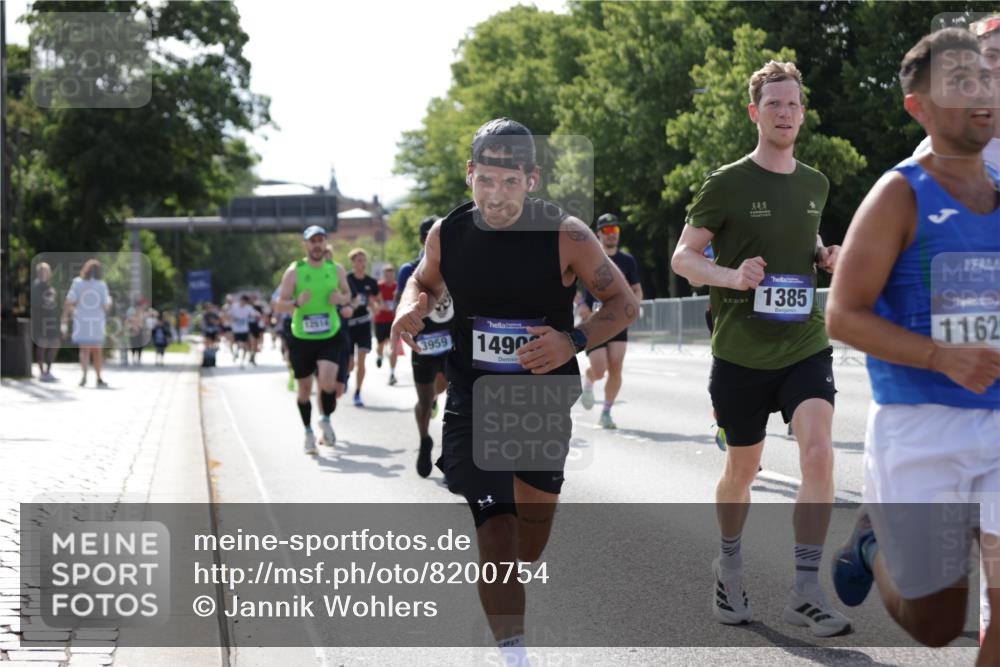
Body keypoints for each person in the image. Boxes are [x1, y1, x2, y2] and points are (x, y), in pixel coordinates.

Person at [392, 118, 638, 665]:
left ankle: (501, 600)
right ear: (469, 175)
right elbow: (426, 282)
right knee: (497, 531)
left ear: (531, 179)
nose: (495, 195)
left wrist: (570, 340)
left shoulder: (566, 234)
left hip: (540, 402)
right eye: (485, 180)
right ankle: (515, 654)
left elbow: (623, 305)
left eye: (509, 182)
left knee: (531, 534)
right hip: (472, 402)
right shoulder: (447, 234)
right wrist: (412, 305)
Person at [826, 28, 1000, 664]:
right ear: (918, 107)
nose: (979, 92)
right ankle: (872, 548)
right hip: (922, 428)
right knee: (936, 622)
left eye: (984, 79)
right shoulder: (900, 193)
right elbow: (841, 316)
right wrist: (940, 355)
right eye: (959, 82)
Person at [671, 61, 851, 636]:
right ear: (755, 112)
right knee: (741, 470)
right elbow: (683, 258)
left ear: (803, 111)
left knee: (819, 454)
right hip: (741, 351)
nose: (784, 113)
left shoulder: (816, 183)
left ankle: (804, 589)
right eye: (773, 104)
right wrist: (730, 276)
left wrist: (825, 255)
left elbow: (802, 238)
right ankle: (728, 564)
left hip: (804, 340)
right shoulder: (727, 181)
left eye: (793, 104)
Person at [274, 226, 352, 454]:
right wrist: (297, 303)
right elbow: (279, 304)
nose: (317, 244)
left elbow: (348, 296)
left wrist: (341, 298)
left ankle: (325, 420)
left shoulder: (335, 269)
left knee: (328, 384)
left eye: (320, 240)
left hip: (330, 335)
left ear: (325, 243)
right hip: (302, 338)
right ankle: (308, 431)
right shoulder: (294, 271)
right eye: (312, 241)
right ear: (305, 245)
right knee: (304, 390)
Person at [397, 216, 452, 478]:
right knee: (425, 399)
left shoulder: (456, 264)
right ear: (424, 240)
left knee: (457, 395)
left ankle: (452, 449)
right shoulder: (409, 269)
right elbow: (403, 302)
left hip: (452, 340)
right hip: (424, 342)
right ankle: (424, 440)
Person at [578, 213, 642, 429]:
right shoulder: (588, 258)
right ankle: (589, 378)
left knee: (616, 367)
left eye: (615, 230)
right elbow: (570, 286)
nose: (612, 234)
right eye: (607, 231)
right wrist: (581, 305)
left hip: (617, 322)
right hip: (594, 321)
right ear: (598, 234)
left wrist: (633, 307)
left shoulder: (627, 261)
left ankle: (606, 412)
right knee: (599, 367)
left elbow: (636, 289)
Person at [63, 259, 112, 388]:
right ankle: (98, 377)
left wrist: (65, 318)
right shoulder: (101, 285)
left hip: (81, 320)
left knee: (84, 350)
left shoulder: (77, 283)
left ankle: (84, 375)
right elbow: (106, 304)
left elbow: (69, 300)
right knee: (97, 351)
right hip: (96, 321)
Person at [345, 248, 381, 406]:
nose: (362, 263)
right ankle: (345, 376)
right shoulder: (346, 279)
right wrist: (350, 304)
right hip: (348, 325)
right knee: (350, 363)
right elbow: (339, 299)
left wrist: (375, 306)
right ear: (352, 262)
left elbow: (379, 304)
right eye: (358, 260)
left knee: (361, 362)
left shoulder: (371, 282)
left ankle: (358, 393)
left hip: (364, 324)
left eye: (364, 260)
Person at [31, 262, 60, 382]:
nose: (47, 273)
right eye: (45, 271)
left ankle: (47, 371)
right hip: (41, 319)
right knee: (43, 344)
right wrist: (49, 297)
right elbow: (38, 303)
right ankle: (43, 372)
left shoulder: (46, 285)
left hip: (49, 319)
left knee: (53, 344)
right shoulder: (38, 285)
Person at [374, 264, 399, 385]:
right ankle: (379, 356)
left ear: (393, 275)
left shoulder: (397, 287)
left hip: (394, 322)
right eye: (386, 275)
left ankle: (392, 373)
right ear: (384, 275)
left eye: (391, 275)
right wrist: (379, 306)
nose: (389, 277)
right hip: (380, 320)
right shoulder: (379, 287)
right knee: (380, 344)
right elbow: (372, 302)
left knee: (394, 348)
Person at [228, 294, 259, 369]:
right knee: (239, 343)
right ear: (240, 300)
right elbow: (228, 315)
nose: (243, 303)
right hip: (236, 329)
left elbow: (256, 314)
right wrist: (233, 319)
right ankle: (236, 352)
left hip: (244, 329)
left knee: (245, 345)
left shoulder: (248, 307)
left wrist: (255, 316)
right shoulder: (234, 306)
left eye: (245, 302)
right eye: (242, 301)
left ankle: (242, 361)